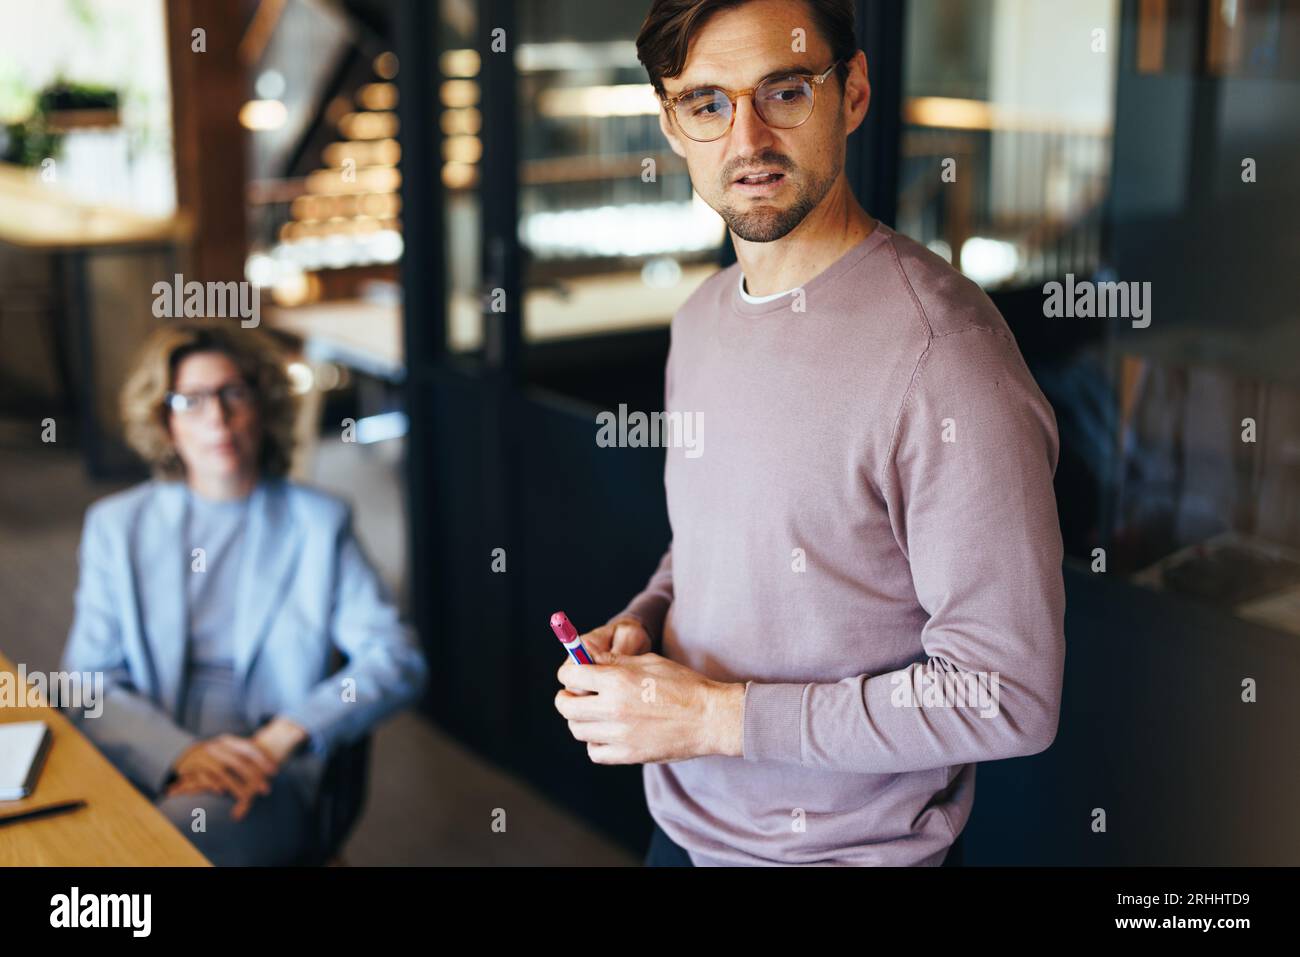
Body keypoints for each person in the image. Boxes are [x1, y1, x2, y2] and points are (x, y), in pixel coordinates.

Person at [555, 0, 1066, 866]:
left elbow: (1007, 694)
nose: (745, 138)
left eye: (783, 91)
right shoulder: (702, 318)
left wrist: (719, 716)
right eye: (706, 103)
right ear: (673, 125)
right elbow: (712, 544)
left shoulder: (949, 358)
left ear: (853, 93)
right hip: (679, 830)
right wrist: (646, 621)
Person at [61, 320, 427, 865]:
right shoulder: (118, 527)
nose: (218, 417)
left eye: (234, 393)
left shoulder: (318, 523)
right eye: (191, 400)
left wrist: (286, 735)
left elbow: (396, 658)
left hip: (266, 773)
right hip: (147, 758)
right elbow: (84, 683)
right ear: (165, 421)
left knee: (150, 855)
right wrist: (179, 754)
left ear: (264, 404)